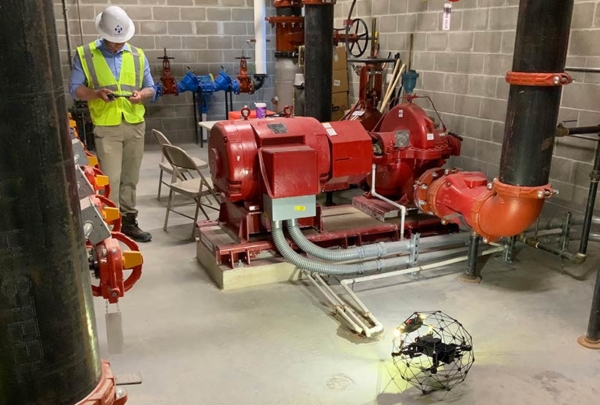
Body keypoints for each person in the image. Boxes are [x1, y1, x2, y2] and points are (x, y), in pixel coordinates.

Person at [69, 5, 155, 243]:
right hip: (106, 126)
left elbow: (151, 88)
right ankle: (111, 225)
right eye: (113, 40)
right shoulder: (85, 55)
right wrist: (96, 94)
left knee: (130, 177)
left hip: (135, 123)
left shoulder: (137, 55)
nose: (118, 44)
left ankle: (128, 221)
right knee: (111, 178)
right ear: (103, 33)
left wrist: (142, 95)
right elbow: (75, 90)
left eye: (122, 40)